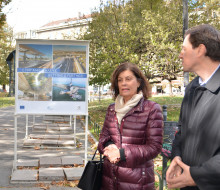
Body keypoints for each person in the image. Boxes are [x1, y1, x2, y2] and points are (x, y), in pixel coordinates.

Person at [166, 24, 220, 190]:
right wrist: (176, 158)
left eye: (184, 49)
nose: (180, 55)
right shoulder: (192, 88)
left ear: (200, 50)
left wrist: (197, 176)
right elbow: (181, 132)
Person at [98, 62, 163, 190]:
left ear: (138, 82)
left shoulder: (151, 109)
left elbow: (154, 147)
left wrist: (121, 154)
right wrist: (108, 146)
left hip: (137, 180)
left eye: (128, 79)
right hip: (109, 179)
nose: (123, 83)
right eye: (120, 80)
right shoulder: (112, 109)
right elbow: (104, 137)